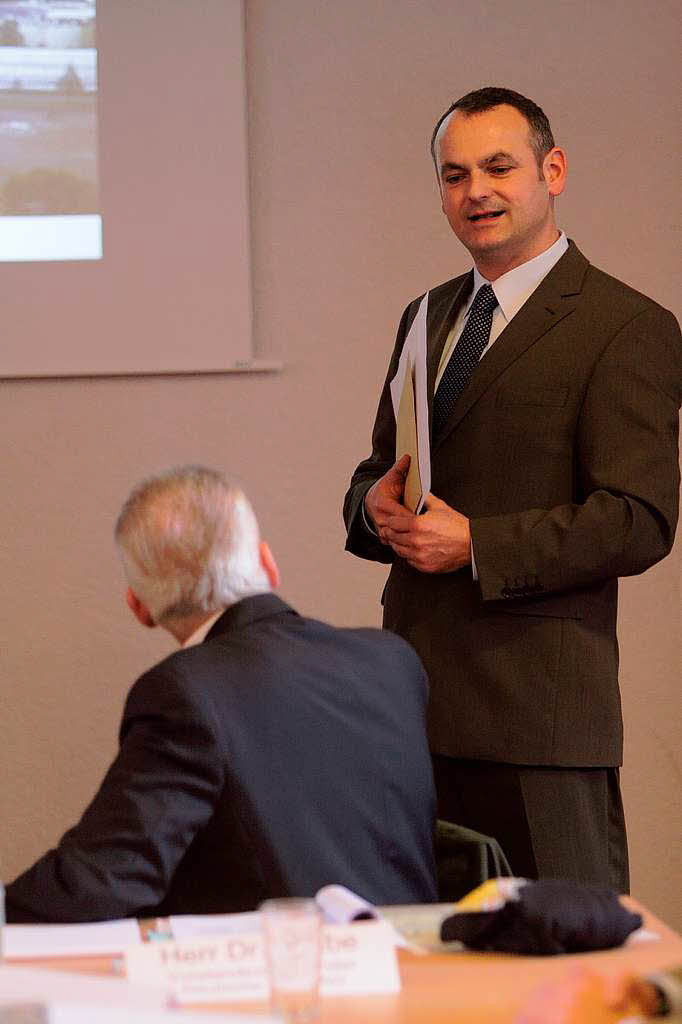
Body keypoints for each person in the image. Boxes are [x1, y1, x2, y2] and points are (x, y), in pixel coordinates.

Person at [343, 86, 681, 891]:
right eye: (454, 175)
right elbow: (379, 469)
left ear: (553, 169)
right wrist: (373, 508)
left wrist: (479, 546)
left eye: (499, 167)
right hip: (415, 711)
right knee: (432, 982)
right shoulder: (424, 315)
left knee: (562, 987)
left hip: (541, 724)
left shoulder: (627, 327)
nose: (476, 192)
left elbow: (639, 520)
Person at [6, 465, 437, 923]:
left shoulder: (183, 693)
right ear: (267, 563)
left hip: (279, 979)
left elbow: (102, 880)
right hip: (421, 971)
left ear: (139, 607)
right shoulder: (393, 662)